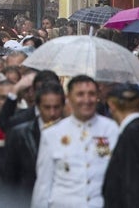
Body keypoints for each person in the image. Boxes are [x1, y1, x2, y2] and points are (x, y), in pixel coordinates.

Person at [32, 74, 120, 208]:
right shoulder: (52, 134)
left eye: (91, 94)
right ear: (69, 98)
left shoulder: (111, 130)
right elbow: (44, 184)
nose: (86, 100)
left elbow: (120, 176)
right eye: (80, 94)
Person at [3, 81, 65, 206]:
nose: (52, 113)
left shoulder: (71, 134)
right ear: (38, 106)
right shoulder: (20, 134)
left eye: (56, 107)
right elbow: (9, 177)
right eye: (47, 107)